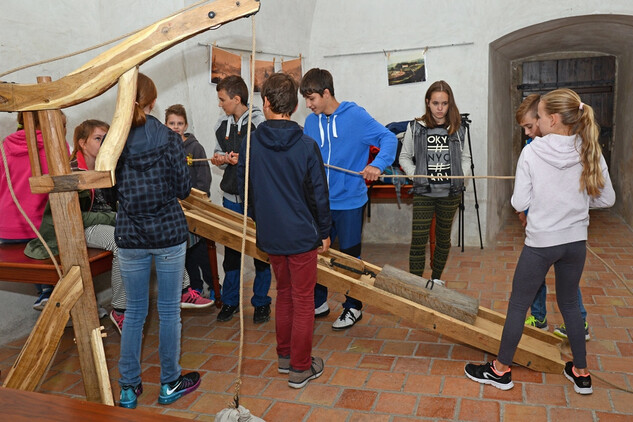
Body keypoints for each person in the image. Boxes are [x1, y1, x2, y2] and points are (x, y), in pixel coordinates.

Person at [465, 89, 615, 395]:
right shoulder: (589, 148)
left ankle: (500, 370)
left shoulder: (532, 152)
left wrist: (545, 206)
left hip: (541, 242)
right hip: (575, 242)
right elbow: (607, 198)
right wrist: (575, 207)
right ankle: (581, 373)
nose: (538, 121)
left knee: (519, 303)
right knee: (570, 303)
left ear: (553, 119)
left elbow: (519, 200)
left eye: (541, 115)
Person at [237, 72, 332, 388]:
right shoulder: (306, 144)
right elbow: (318, 193)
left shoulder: (251, 143)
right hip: (303, 235)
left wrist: (261, 220)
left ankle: (285, 357)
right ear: (294, 106)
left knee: (285, 294)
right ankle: (300, 367)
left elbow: (244, 189)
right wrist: (324, 230)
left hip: (272, 236)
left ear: (265, 103)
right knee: (304, 299)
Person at [116, 73, 200, 409]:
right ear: (152, 101)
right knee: (168, 312)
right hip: (167, 232)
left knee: (134, 312)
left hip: (131, 234)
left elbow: (109, 190)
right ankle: (169, 382)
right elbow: (183, 188)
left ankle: (127, 388)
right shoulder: (169, 138)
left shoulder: (114, 139)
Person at [300, 68, 397, 330]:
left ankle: (353, 307)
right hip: (319, 203)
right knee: (317, 252)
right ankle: (319, 301)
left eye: (312, 99)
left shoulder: (355, 116)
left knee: (350, 257)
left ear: (327, 93)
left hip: (350, 201)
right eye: (306, 100)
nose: (308, 106)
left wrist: (378, 164)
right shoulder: (311, 122)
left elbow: (388, 138)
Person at [516, 94, 590, 339]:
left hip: (560, 232)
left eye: (530, 125)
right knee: (537, 277)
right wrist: (527, 213)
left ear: (545, 119)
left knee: (566, 283)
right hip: (549, 227)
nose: (528, 132)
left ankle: (578, 321)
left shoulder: (570, 147)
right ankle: (538, 317)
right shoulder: (532, 149)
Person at [211, 75, 272, 324]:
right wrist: (220, 158)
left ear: (237, 99)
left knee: (261, 253)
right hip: (230, 198)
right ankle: (230, 301)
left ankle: (260, 302)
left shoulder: (259, 123)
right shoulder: (221, 123)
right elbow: (216, 150)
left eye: (222, 99)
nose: (219, 104)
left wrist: (244, 160)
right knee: (232, 254)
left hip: (255, 199)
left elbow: (266, 158)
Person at [399, 80, 469, 285]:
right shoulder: (415, 127)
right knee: (418, 239)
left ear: (450, 104)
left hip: (451, 193)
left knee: (443, 238)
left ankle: (436, 279)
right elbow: (404, 157)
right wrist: (416, 175)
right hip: (424, 192)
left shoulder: (459, 128)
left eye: (444, 103)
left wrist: (460, 175)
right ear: (428, 103)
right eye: (435, 103)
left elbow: (466, 158)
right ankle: (416, 283)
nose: (440, 108)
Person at [0, 111, 68, 309]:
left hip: (7, 226)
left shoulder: (6, 144)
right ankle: (48, 292)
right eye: (62, 125)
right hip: (37, 224)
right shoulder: (55, 144)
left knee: (38, 256)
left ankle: (45, 292)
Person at [165, 104, 215, 300]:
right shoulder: (164, 149)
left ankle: (213, 285)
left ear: (185, 125)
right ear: (165, 125)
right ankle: (195, 289)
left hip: (195, 209)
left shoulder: (195, 147)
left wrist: (196, 201)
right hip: (175, 211)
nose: (176, 127)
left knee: (202, 252)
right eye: (171, 123)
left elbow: (204, 179)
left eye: (179, 123)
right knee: (186, 254)